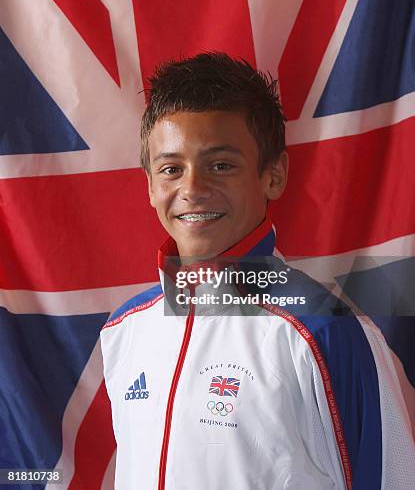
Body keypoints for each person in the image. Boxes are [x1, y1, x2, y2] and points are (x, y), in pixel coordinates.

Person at [101, 53, 415, 489]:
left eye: (221, 165)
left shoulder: (323, 331)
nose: (191, 189)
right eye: (171, 169)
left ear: (274, 175)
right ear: (151, 186)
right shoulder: (125, 329)